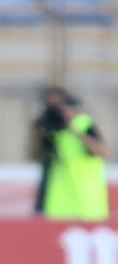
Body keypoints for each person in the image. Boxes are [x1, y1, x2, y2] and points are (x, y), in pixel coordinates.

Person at [32, 87, 109, 221]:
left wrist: (75, 129)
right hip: (58, 207)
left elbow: (103, 152)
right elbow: (35, 155)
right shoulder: (51, 132)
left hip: (88, 205)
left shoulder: (84, 124)